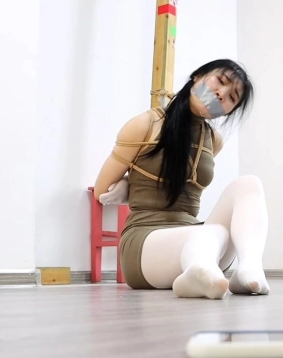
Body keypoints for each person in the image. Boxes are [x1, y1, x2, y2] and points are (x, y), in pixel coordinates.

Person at [93, 59, 268, 299]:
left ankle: (247, 269)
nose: (221, 94)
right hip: (144, 245)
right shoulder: (146, 124)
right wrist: (127, 185)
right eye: (220, 81)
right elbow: (101, 191)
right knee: (213, 233)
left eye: (231, 97)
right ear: (197, 76)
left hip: (194, 239)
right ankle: (199, 271)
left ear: (229, 110)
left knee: (249, 184)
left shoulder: (213, 140)